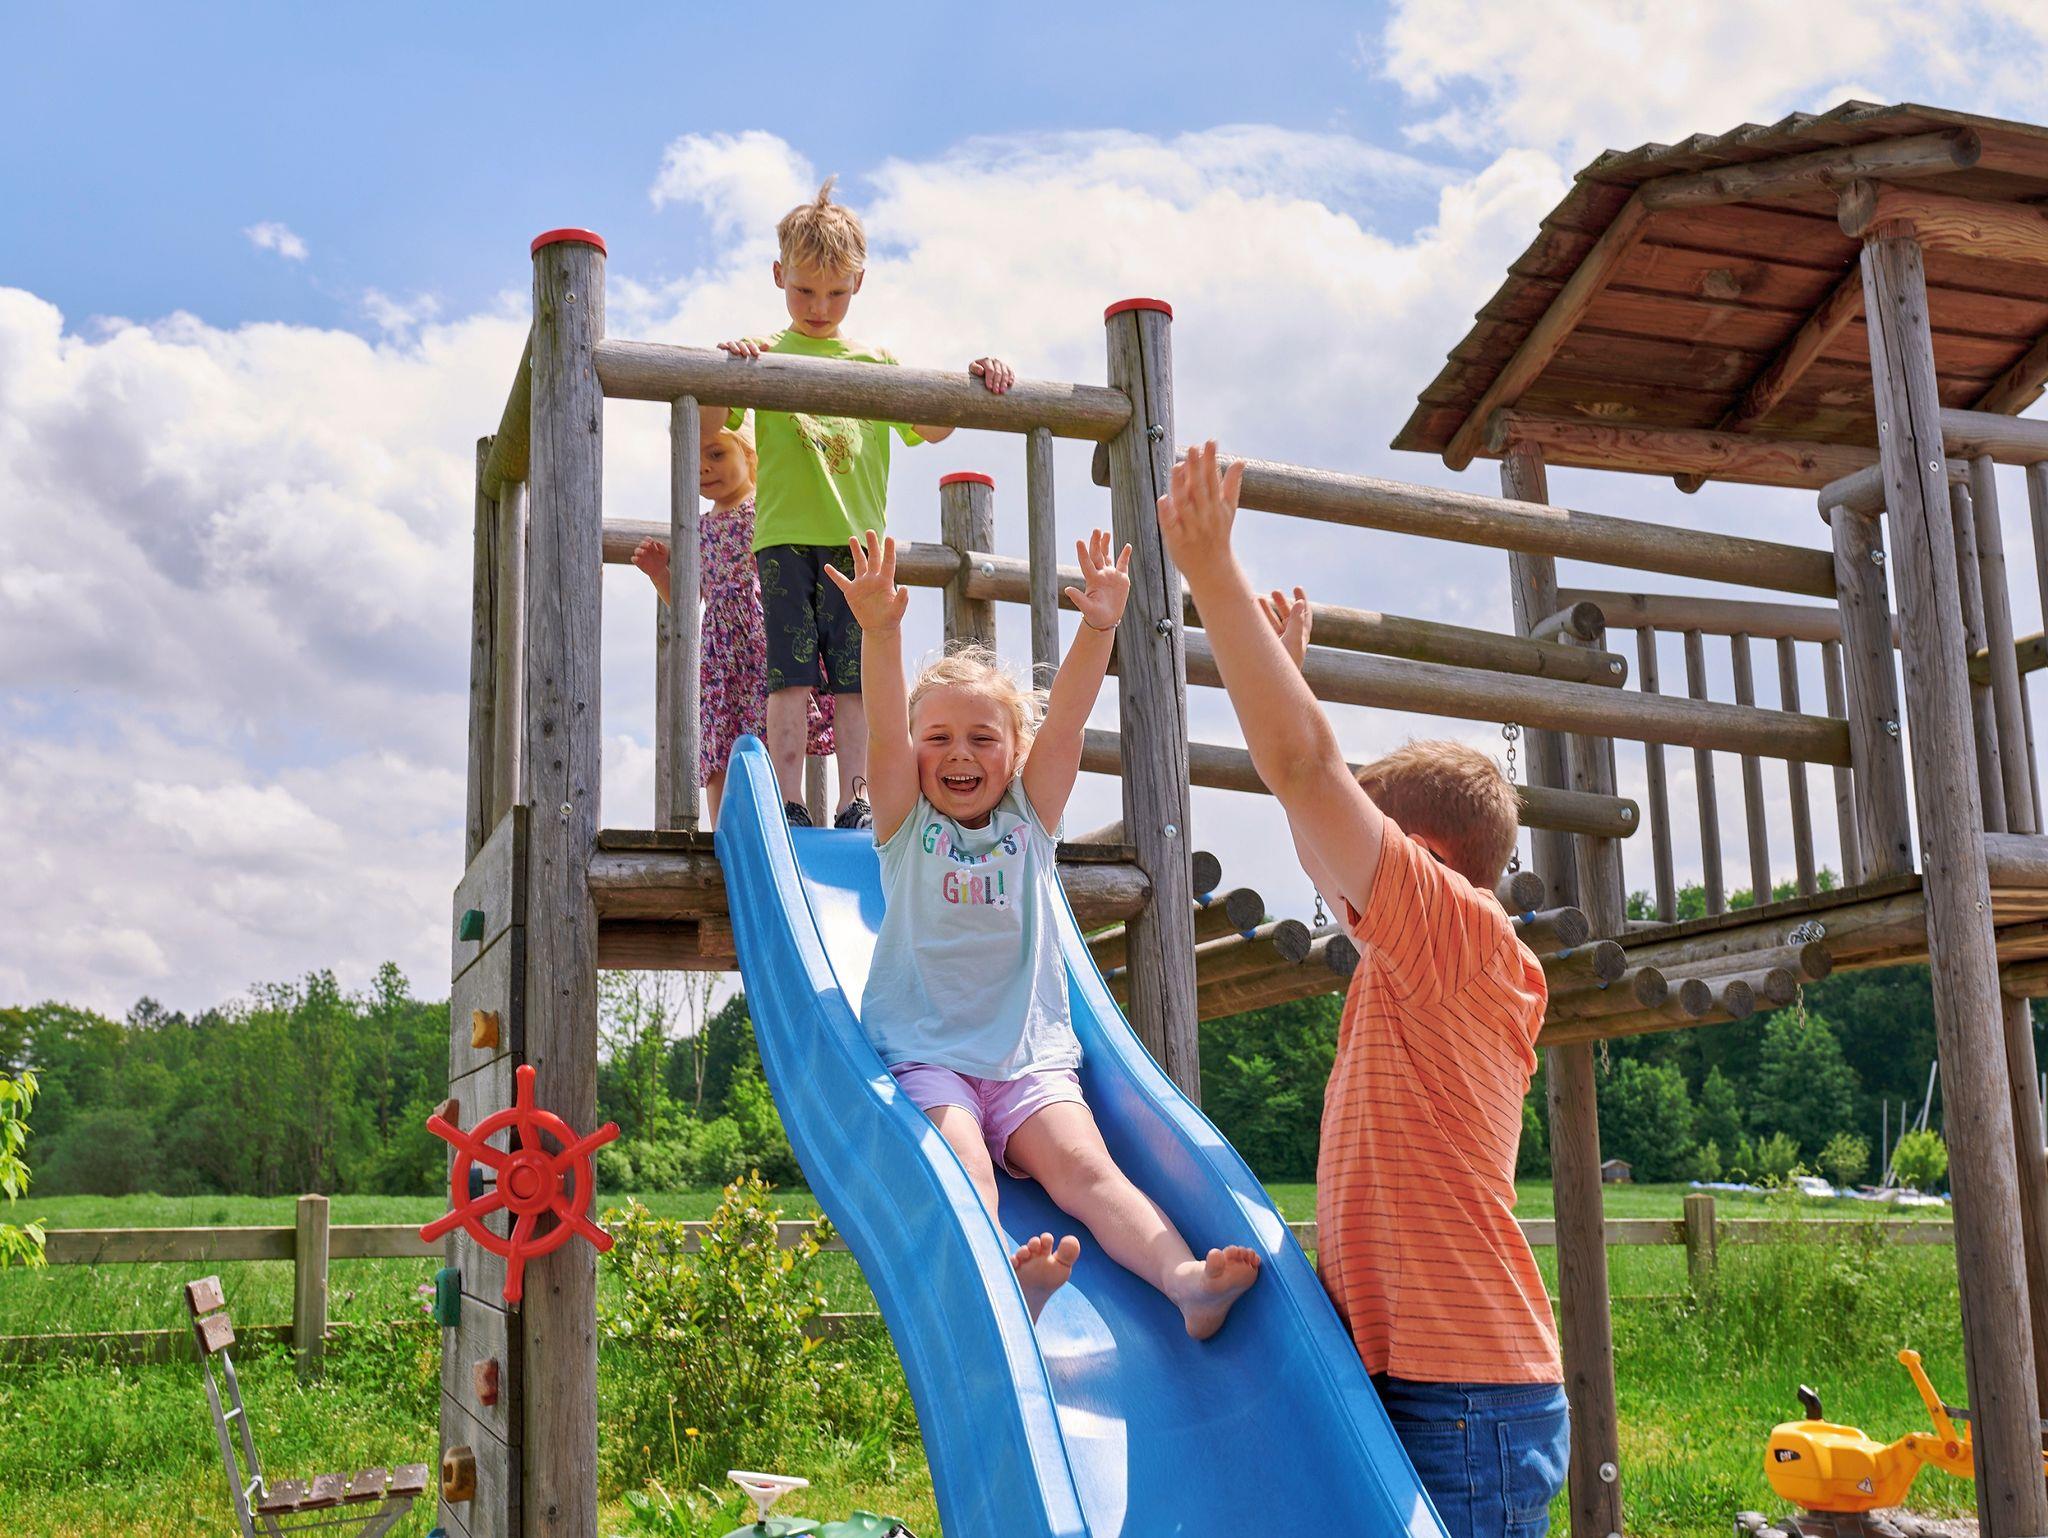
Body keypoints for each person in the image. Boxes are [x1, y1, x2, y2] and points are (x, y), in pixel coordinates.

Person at [1156, 442, 1569, 1538]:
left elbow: (1307, 774)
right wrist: (1284, 677)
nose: (1335, 872)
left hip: (1466, 1392)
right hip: (1425, 1377)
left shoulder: (1461, 936)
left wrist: (1212, 572)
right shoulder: (1414, 959)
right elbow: (1310, 810)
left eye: (1369, 844)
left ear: (1422, 858)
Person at [827, 526, 1261, 1337]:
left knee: (1090, 1171)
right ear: (916, 754)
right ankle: (1007, 1288)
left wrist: (1098, 628)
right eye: (939, 739)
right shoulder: (905, 827)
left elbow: (1065, 725)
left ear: (1014, 751)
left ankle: (1185, 1284)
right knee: (964, 1167)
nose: (960, 754)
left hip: (1029, 1059)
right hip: (929, 1056)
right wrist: (880, 634)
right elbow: (883, 732)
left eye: (983, 738)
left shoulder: (1030, 820)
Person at [697, 178, 1013, 829]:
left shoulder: (875, 363)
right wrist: (721, 373)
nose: (820, 306)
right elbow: (707, 425)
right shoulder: (766, 355)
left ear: (859, 283)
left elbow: (930, 427)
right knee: (787, 679)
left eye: (836, 292)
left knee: (855, 680)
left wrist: (973, 381)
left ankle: (856, 799)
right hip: (782, 540)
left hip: (858, 547)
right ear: (779, 276)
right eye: (804, 291)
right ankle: (788, 800)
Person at [629, 412, 833, 826]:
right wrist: (659, 573)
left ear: (750, 455)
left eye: (717, 454)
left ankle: (784, 813)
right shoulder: (695, 529)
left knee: (775, 724)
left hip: (764, 637)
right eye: (695, 459)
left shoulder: (768, 509)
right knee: (719, 736)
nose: (704, 468)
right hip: (722, 654)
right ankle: (723, 826)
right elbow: (688, 600)